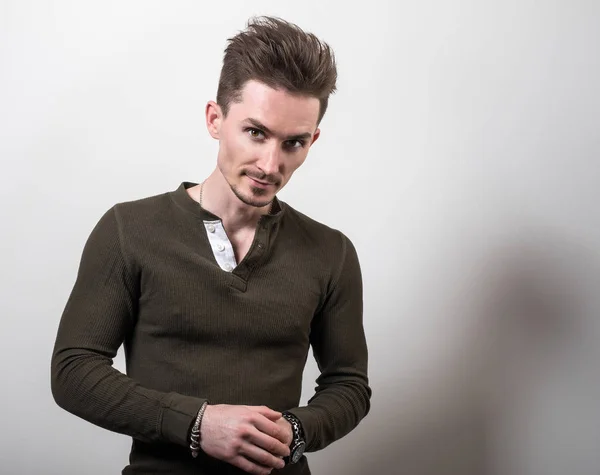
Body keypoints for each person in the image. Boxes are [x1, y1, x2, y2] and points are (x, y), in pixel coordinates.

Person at [51, 15, 371, 475]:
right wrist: (198, 424)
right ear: (215, 119)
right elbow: (74, 372)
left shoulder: (332, 253)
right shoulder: (129, 229)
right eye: (256, 132)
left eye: (294, 143)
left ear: (312, 140)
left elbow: (348, 385)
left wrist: (295, 432)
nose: (270, 163)